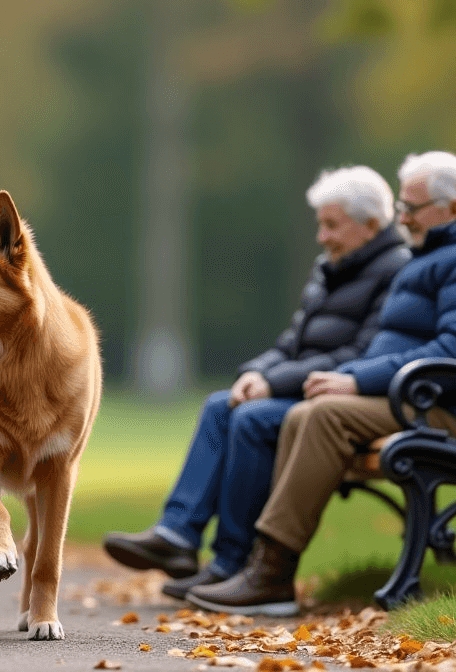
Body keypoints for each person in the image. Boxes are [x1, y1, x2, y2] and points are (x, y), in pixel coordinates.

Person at [103, 166, 410, 600]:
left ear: (372, 226)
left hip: (337, 395)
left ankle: (232, 561)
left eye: (331, 225)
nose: (321, 236)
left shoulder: (394, 271)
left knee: (252, 419)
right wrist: (256, 372)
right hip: (303, 388)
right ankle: (177, 537)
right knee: (219, 404)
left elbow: (359, 357)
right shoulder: (331, 267)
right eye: (320, 223)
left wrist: (274, 384)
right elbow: (291, 343)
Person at [186, 151, 456, 616]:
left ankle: (270, 571)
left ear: (450, 208)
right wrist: (353, 378)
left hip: (435, 402)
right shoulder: (423, 258)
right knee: (305, 413)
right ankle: (268, 571)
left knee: (325, 416)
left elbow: (449, 352)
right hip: (404, 396)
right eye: (403, 206)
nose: (403, 216)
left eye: (412, 208)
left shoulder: (448, 261)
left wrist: (354, 379)